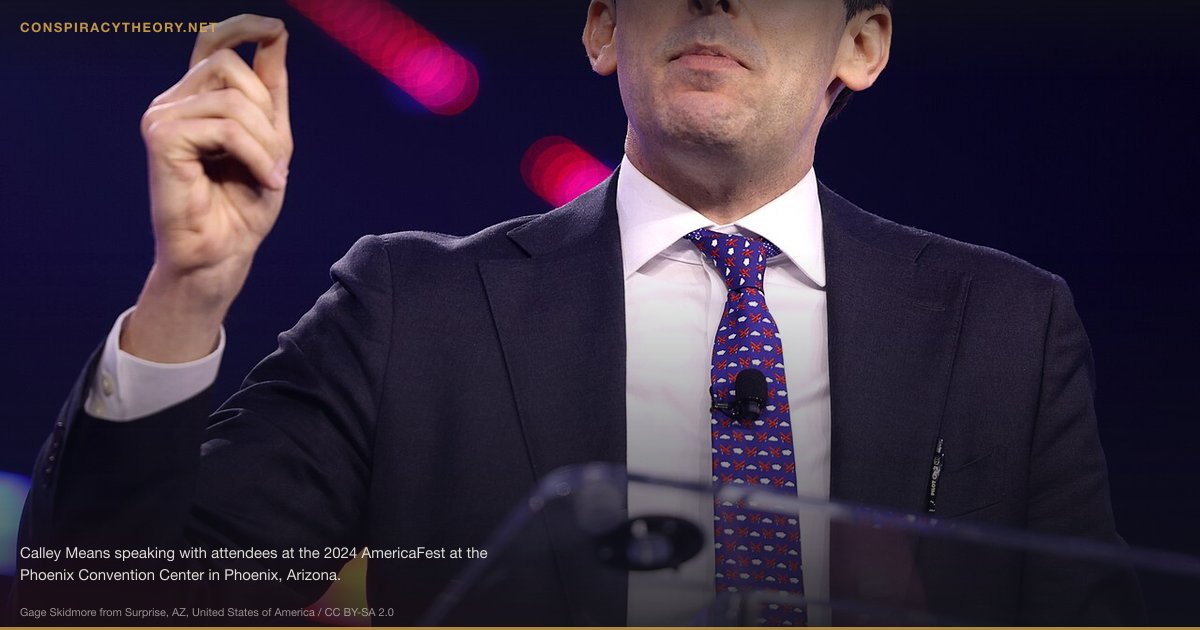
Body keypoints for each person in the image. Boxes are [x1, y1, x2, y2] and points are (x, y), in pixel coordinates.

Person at [13, 0, 1143, 625]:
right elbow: (117, 608)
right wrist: (187, 294)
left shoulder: (1005, 324)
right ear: (603, 29)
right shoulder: (411, 305)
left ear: (862, 45)